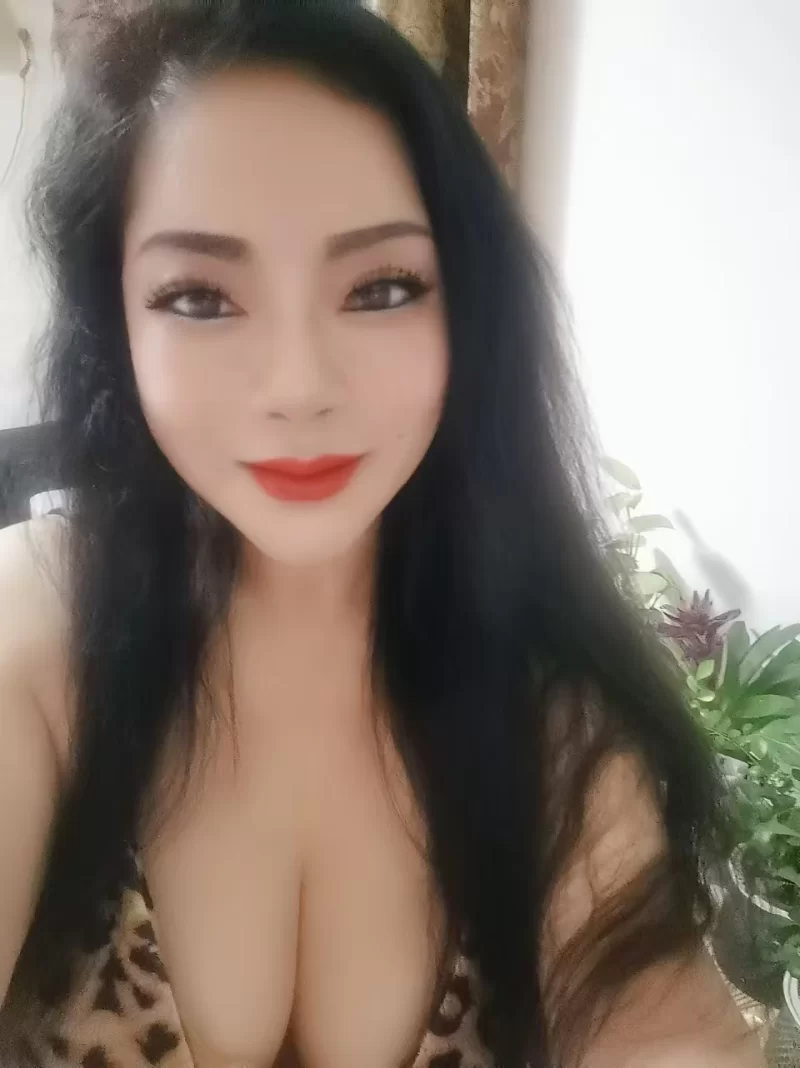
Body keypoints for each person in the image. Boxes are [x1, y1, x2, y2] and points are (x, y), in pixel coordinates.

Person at [0, 1, 764, 1066]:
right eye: (200, 298)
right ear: (115, 324)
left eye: (381, 288)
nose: (298, 385)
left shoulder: (547, 720)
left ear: (468, 313)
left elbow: (667, 1034)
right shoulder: (39, 643)